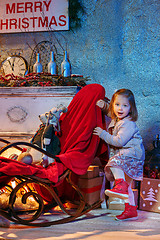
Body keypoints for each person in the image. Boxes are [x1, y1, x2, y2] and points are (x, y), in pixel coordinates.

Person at [93, 89, 145, 221]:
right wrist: (104, 106)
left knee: (114, 162)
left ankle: (119, 184)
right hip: (130, 156)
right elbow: (111, 113)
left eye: (125, 105)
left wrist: (103, 134)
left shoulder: (128, 123)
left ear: (131, 108)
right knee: (128, 186)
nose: (120, 108)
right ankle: (131, 209)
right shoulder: (119, 118)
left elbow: (119, 141)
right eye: (117, 104)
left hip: (132, 155)